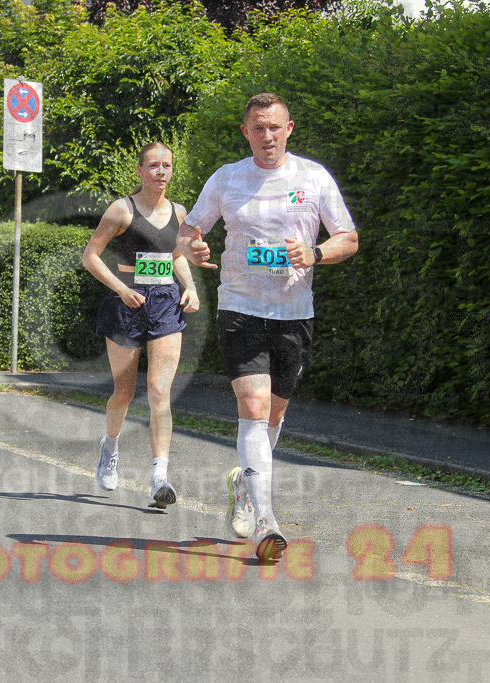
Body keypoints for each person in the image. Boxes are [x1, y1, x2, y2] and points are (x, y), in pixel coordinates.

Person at [177, 93, 358, 561]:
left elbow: (349, 238)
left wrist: (316, 253)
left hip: (295, 313)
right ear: (246, 132)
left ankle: (244, 481)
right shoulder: (227, 178)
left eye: (275, 127)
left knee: (273, 416)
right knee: (253, 406)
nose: (267, 136)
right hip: (240, 307)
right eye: (258, 128)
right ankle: (265, 521)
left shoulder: (313, 177)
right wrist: (193, 249)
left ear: (289, 129)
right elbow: (189, 231)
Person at [82, 142, 199, 509]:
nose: (161, 172)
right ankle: (110, 447)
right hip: (127, 303)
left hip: (165, 305)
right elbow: (91, 256)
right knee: (125, 392)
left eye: (167, 165)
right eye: (153, 166)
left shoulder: (180, 211)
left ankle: (159, 477)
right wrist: (121, 288)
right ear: (140, 171)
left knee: (160, 392)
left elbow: (176, 256)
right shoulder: (122, 210)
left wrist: (190, 287)